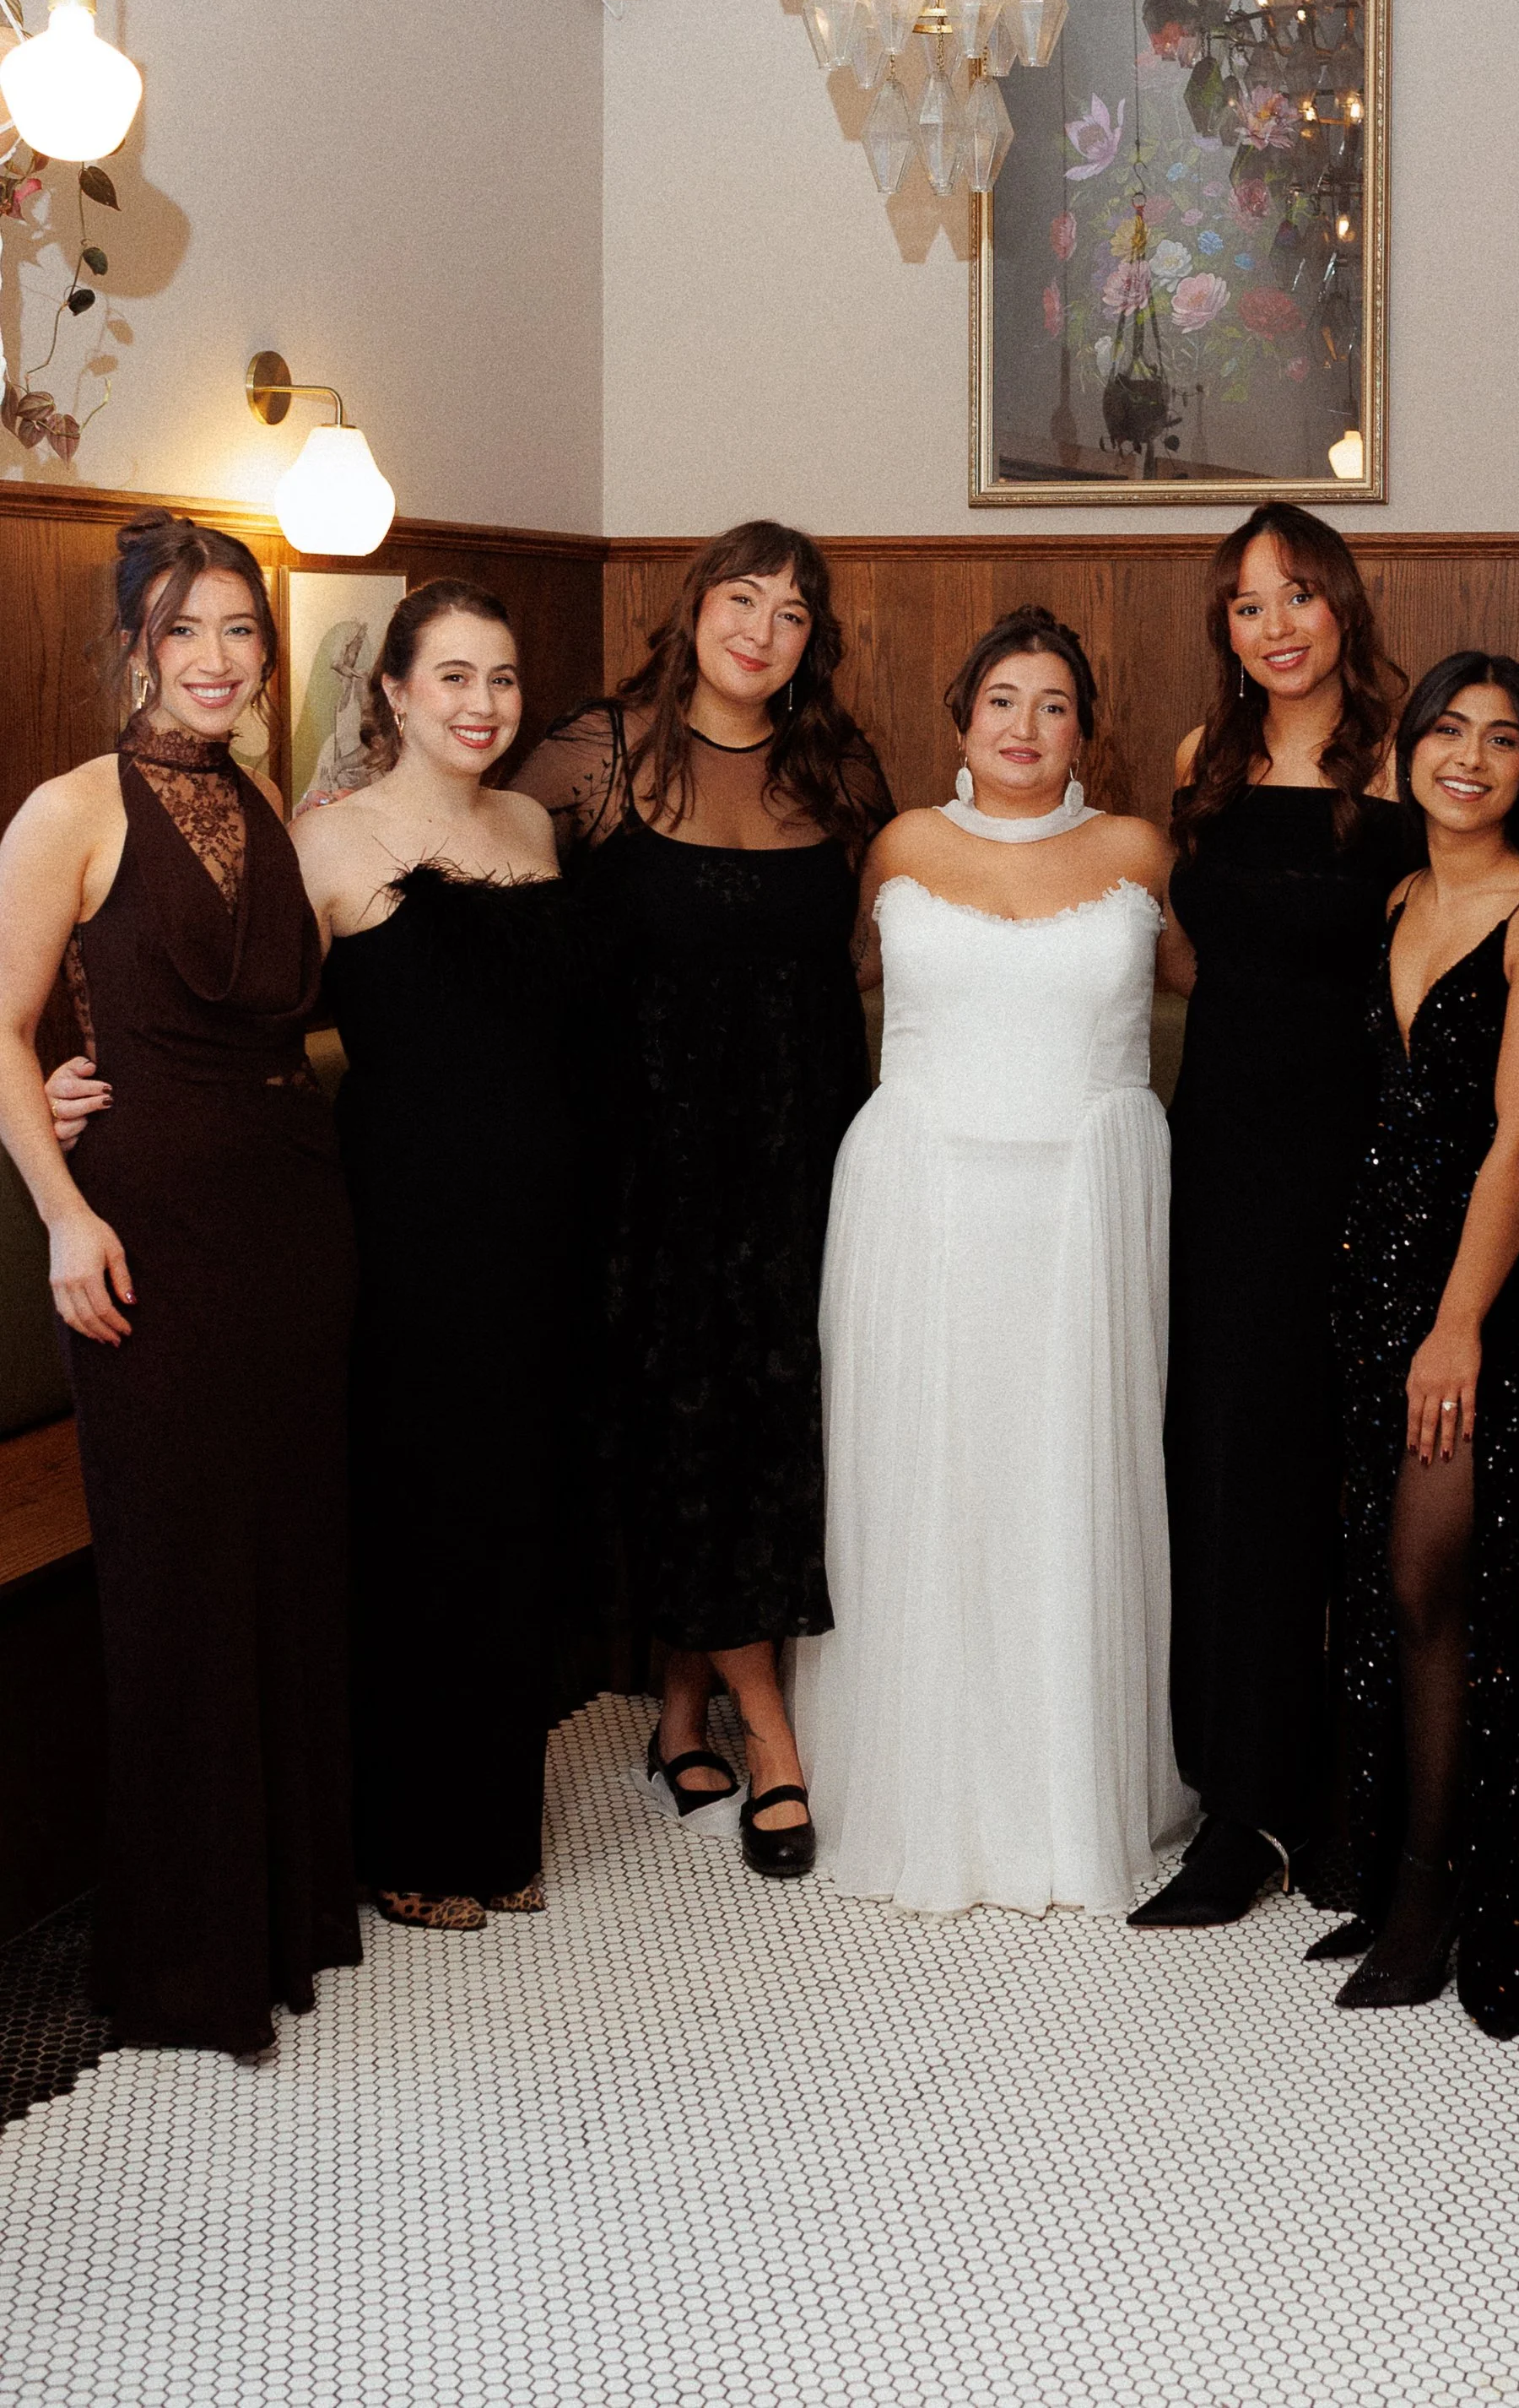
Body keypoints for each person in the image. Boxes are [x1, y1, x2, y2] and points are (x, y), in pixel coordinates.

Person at [51, 580, 592, 1934]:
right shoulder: (324, 840)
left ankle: (494, 1823)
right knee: (417, 1515)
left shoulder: (536, 827)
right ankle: (411, 1836)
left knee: (516, 1509)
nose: (483, 704)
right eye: (453, 677)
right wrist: (76, 1070)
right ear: (393, 692)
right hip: (400, 1224)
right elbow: (210, 1000)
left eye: (503, 679)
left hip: (542, 1221)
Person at [0, 510, 359, 2054]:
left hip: (293, 1223)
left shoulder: (265, 799)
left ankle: (286, 1910)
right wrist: (64, 1213)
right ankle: (183, 1961)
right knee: (175, 1579)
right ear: (135, 646)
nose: (216, 660)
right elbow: (1, 1030)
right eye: (184, 631)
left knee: (284, 1557)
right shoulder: (70, 809)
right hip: (143, 1234)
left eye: (240, 632)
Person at [789, 606, 1195, 1914]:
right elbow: (824, 987)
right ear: (962, 721)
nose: (1026, 727)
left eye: (1054, 704)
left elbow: (1235, 991)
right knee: (928, 1474)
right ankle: (921, 1778)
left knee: (1070, 1474)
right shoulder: (901, 845)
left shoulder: (1138, 850)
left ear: (1087, 733)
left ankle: (1072, 1784)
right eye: (1002, 701)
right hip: (921, 1198)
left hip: (1087, 1204)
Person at [511, 524, 890, 1879]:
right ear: (693, 607)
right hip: (647, 1168)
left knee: (774, 1429)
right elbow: (474, 868)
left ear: (812, 645)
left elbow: (869, 953)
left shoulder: (837, 768)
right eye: (742, 597)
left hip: (802, 1158)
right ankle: (770, 1734)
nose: (761, 629)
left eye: (792, 613)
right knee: (687, 1423)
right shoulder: (597, 752)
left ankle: (683, 1707)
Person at [1310, 655, 1519, 2032]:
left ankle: (1444, 1900)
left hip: (1492, 1294)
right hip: (1377, 1278)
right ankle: (1391, 1869)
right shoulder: (1396, 899)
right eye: (1446, 731)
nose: (1469, 758)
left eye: (1501, 738)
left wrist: (1459, 1328)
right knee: (1388, 1575)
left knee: (1434, 1577)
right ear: (1406, 752)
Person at [1135, 504, 1413, 1929]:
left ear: (1342, 605)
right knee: (1230, 1472)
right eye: (1248, 607)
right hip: (1223, 1156)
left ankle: (1357, 1799)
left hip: (1361, 1156)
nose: (1276, 627)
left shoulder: (1412, 756)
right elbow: (1192, 956)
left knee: (1351, 1475)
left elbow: (1500, 917)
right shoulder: (1206, 758)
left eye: (1298, 595)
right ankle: (1237, 1806)